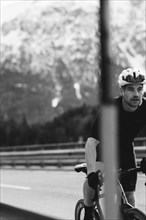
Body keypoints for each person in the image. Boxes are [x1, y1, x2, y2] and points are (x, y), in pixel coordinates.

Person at [83, 68, 146, 220]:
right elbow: (91, 142)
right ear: (122, 91)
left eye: (140, 89)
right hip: (104, 149)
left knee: (129, 197)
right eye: (130, 89)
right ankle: (87, 211)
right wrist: (91, 173)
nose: (136, 94)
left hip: (125, 149)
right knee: (92, 184)